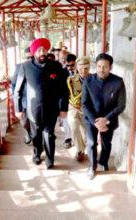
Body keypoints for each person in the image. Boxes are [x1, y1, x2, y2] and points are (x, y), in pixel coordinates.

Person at [14, 38, 69, 169]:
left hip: (51, 108)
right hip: (33, 109)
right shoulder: (25, 67)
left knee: (49, 134)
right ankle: (37, 153)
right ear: (34, 52)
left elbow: (63, 89)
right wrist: (18, 108)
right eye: (38, 50)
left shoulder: (56, 66)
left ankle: (50, 159)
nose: (42, 52)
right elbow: (18, 90)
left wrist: (63, 108)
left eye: (44, 49)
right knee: (36, 134)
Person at [82, 53, 126, 179]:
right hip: (91, 119)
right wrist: (96, 122)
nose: (101, 69)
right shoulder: (88, 81)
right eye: (99, 66)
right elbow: (84, 104)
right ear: (96, 66)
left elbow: (121, 105)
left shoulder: (118, 82)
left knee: (106, 143)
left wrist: (106, 119)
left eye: (105, 67)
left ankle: (103, 161)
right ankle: (92, 166)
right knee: (91, 143)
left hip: (109, 118)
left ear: (110, 67)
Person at [67, 56, 91, 161]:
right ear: (77, 67)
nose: (83, 71)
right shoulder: (71, 80)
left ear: (89, 68)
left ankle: (84, 148)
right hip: (74, 108)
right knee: (74, 126)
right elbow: (66, 95)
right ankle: (79, 150)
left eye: (86, 68)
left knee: (85, 134)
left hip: (87, 110)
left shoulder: (94, 79)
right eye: (81, 68)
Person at [12, 47, 33, 144]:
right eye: (27, 57)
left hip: (36, 102)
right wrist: (16, 103)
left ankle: (37, 141)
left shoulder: (38, 67)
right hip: (23, 101)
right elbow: (14, 85)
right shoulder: (19, 67)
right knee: (25, 123)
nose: (30, 59)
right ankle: (28, 133)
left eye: (31, 57)